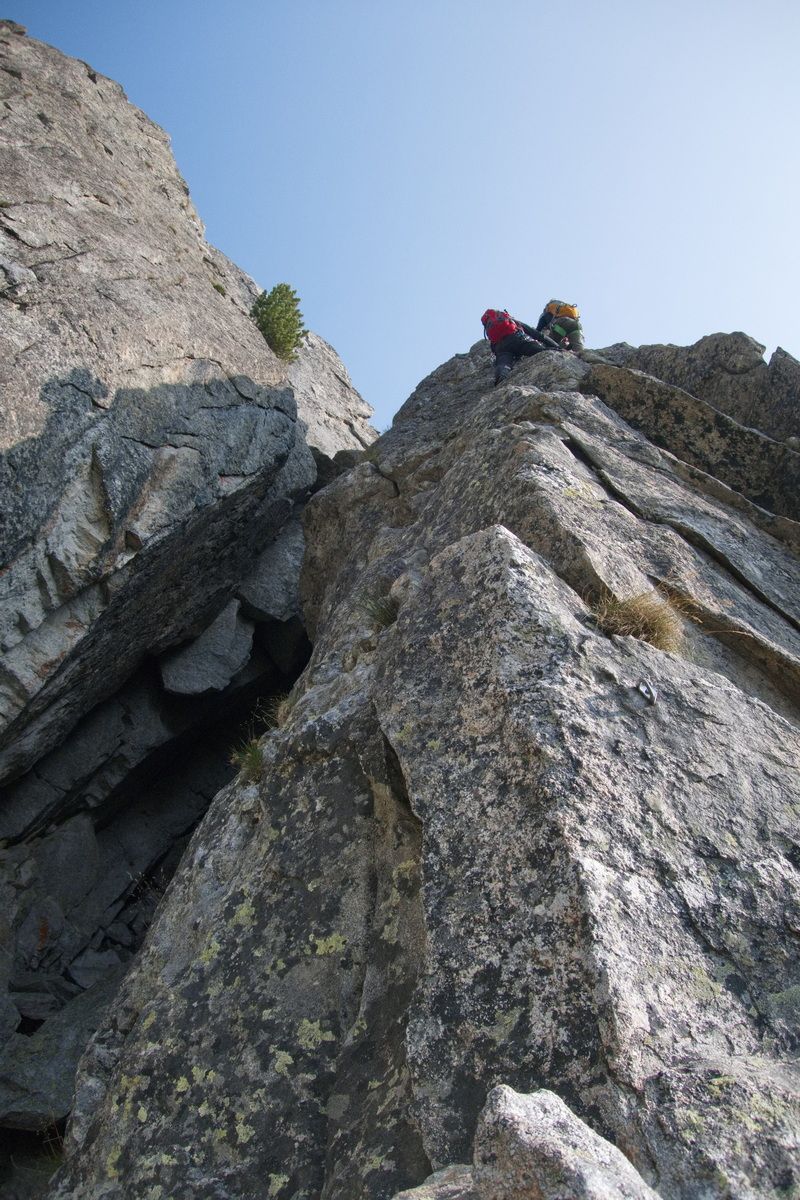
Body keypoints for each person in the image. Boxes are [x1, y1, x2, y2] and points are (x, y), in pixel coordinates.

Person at [481, 309, 562, 386]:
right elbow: (538, 335)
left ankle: (502, 373)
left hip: (501, 348)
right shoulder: (512, 321)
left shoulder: (490, 331)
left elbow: (494, 348)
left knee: (504, 363)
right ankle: (558, 351)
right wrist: (558, 347)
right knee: (540, 351)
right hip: (518, 339)